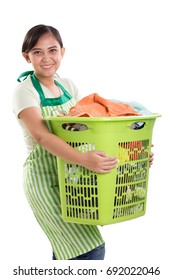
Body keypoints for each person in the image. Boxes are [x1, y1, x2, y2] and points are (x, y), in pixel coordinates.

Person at [12, 24, 119, 260]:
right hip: (44, 182)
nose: (46, 58)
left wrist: (128, 157)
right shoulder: (24, 91)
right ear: (26, 56)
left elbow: (87, 132)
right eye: (37, 52)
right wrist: (83, 159)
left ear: (63, 52)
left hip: (71, 177)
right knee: (87, 250)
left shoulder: (68, 86)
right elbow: (41, 136)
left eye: (52, 50)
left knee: (70, 252)